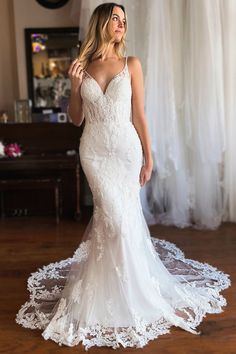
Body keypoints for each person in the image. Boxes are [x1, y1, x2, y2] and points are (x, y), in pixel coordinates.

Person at [15, 2, 231, 350]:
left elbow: (140, 115)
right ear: (101, 22)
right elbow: (75, 119)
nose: (121, 25)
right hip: (94, 152)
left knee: (122, 221)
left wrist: (150, 155)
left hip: (126, 152)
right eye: (115, 18)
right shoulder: (81, 66)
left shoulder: (132, 64)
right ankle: (108, 293)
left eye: (124, 20)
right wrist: (73, 87)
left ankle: (132, 291)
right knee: (110, 219)